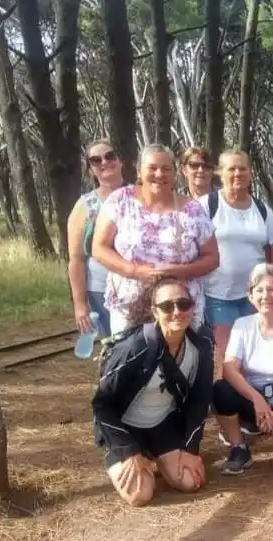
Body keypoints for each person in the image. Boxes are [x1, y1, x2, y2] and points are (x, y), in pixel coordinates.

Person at [91, 276, 213, 507]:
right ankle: (136, 456)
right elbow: (101, 405)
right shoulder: (135, 347)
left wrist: (190, 448)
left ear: (193, 306)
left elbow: (200, 398)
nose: (177, 311)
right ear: (154, 311)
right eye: (167, 306)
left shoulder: (201, 343)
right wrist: (127, 450)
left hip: (163, 423)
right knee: (140, 496)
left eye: (183, 304)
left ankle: (159, 456)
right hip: (125, 428)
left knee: (191, 482)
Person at [92, 144, 219, 335]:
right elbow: (99, 249)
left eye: (166, 169)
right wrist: (134, 271)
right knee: (131, 360)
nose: (159, 174)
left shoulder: (192, 210)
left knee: (182, 362)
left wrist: (182, 271)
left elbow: (212, 258)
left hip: (180, 309)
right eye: (152, 168)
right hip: (129, 306)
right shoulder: (119, 201)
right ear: (139, 170)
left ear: (174, 173)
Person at [213, 264, 273, 474]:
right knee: (220, 389)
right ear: (250, 297)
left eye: (272, 289)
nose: (265, 295)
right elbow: (230, 368)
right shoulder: (242, 325)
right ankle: (239, 447)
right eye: (259, 290)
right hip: (255, 396)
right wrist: (256, 400)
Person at [201, 150, 273, 377]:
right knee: (225, 355)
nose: (237, 173)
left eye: (242, 168)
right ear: (220, 173)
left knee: (253, 350)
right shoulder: (207, 205)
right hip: (219, 294)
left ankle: (250, 401)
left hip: (256, 296)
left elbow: (272, 250)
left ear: (251, 173)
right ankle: (223, 404)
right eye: (231, 168)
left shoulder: (263, 209)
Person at [67, 139, 123, 338]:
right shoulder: (86, 206)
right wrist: (80, 305)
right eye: (96, 160)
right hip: (101, 291)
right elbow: (76, 259)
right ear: (90, 169)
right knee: (113, 350)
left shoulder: (139, 195)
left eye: (109, 156)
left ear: (120, 160)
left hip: (139, 288)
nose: (104, 162)